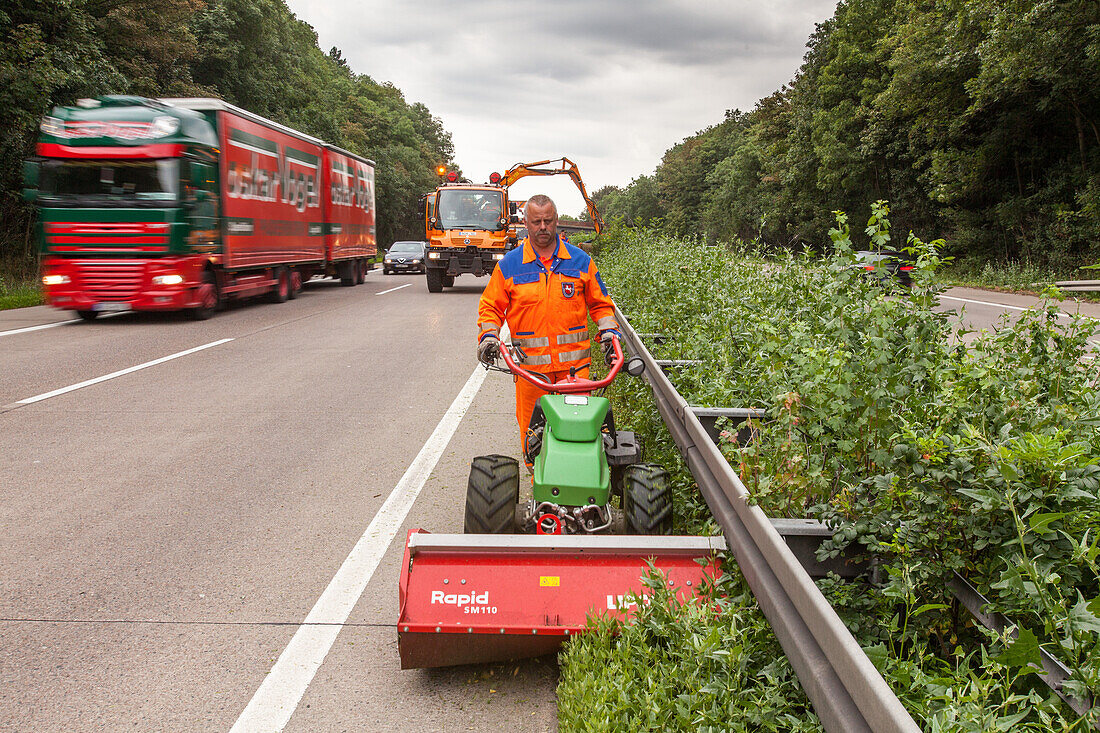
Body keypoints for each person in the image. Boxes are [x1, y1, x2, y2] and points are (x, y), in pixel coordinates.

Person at [476, 194, 621, 447]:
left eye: (548, 220)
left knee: (580, 432)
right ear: (525, 223)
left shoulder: (581, 262)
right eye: (536, 222)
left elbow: (601, 304)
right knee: (534, 440)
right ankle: (539, 483)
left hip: (575, 374)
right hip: (531, 373)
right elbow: (490, 307)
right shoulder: (510, 266)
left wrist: (609, 332)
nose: (542, 227)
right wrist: (489, 336)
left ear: (556, 221)